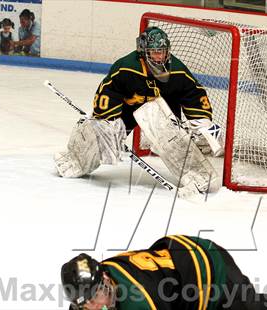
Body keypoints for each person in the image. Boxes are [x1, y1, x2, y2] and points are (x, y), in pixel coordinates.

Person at [54, 27, 223, 194]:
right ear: (143, 52)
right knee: (101, 134)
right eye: (154, 52)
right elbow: (107, 92)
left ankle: (197, 176)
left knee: (171, 136)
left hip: (162, 112)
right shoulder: (126, 67)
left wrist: (202, 122)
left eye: (162, 51)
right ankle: (75, 159)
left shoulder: (177, 70)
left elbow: (194, 93)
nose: (159, 57)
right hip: (127, 109)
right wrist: (106, 121)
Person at [61, 235, 267, 310]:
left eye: (97, 291)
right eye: (86, 300)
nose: (95, 302)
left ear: (105, 279)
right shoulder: (93, 293)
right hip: (176, 263)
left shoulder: (141, 301)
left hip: (209, 270)